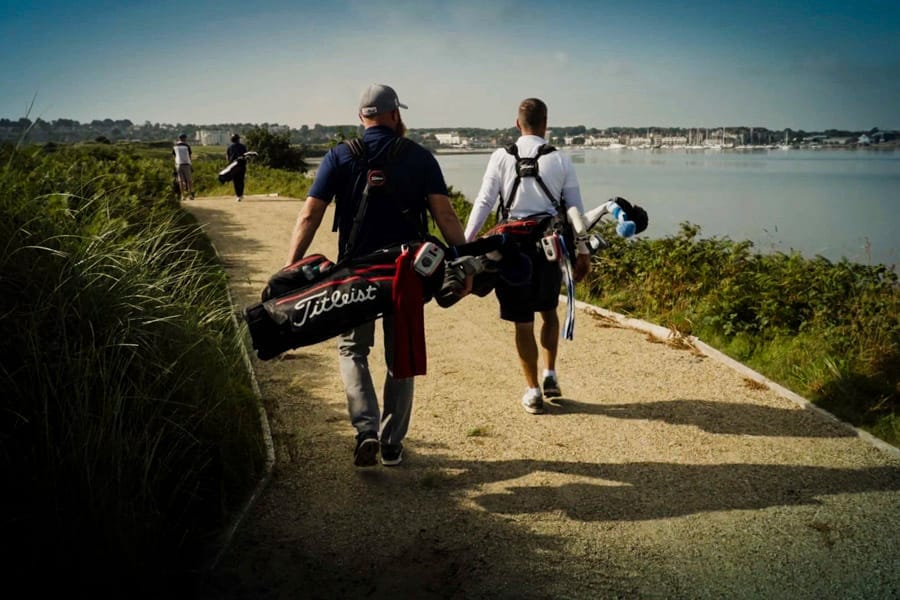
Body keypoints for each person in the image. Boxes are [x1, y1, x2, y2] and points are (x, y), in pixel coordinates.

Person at [283, 83, 469, 467]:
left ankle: (365, 429)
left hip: (356, 272)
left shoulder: (338, 156)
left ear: (361, 117)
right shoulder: (419, 156)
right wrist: (464, 260)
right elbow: (445, 216)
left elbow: (309, 215)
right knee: (400, 355)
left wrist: (293, 266)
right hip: (406, 273)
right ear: (395, 115)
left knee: (353, 350)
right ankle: (391, 443)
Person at [463, 97, 591, 415]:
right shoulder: (560, 159)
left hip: (511, 252)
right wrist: (583, 249)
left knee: (523, 323)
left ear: (518, 124)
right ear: (546, 124)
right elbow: (575, 208)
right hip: (549, 249)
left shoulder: (500, 157)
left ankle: (533, 390)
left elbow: (483, 202)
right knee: (548, 311)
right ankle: (550, 373)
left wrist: (464, 245)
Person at [226, 133, 248, 202]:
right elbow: (246, 156)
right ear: (238, 139)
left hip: (233, 165)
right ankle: (241, 194)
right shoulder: (243, 146)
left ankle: (238, 195)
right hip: (241, 165)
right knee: (241, 181)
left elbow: (227, 157)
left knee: (235, 181)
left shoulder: (229, 147)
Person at [172, 134, 194, 200]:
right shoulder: (186, 145)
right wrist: (191, 164)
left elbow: (174, 156)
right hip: (186, 164)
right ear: (184, 138)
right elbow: (189, 155)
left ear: (179, 138)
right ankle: (190, 194)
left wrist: (175, 163)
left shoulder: (175, 146)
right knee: (189, 180)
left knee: (180, 181)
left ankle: (183, 196)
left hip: (178, 164)